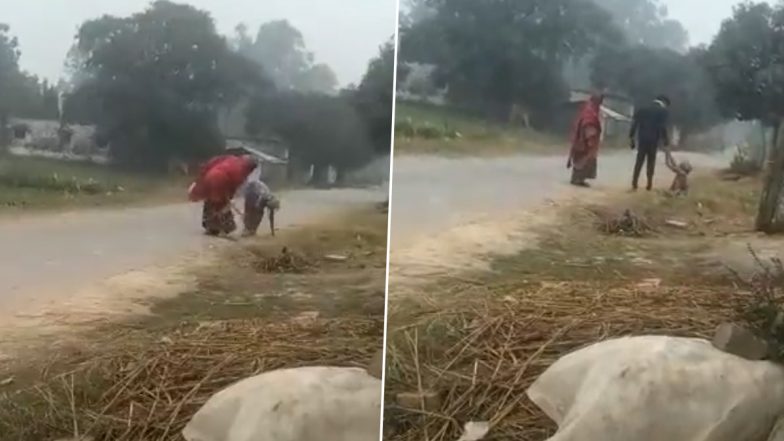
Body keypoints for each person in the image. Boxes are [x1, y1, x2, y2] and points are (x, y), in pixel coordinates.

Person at [188, 154, 258, 236]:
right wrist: (229, 198)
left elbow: (212, 162)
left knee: (211, 201)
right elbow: (233, 185)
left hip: (209, 176)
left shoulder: (231, 158)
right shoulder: (242, 172)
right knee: (221, 205)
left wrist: (201, 177)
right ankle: (222, 227)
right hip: (220, 182)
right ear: (251, 168)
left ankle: (210, 226)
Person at [630, 95, 671, 191]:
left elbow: (635, 124)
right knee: (651, 162)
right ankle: (649, 184)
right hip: (653, 140)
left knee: (639, 161)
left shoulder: (643, 109)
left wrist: (631, 137)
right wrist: (665, 141)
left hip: (642, 139)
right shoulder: (663, 112)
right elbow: (662, 127)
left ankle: (634, 182)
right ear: (663, 102)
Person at [567, 94, 604, 187]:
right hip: (584, 139)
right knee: (583, 160)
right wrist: (590, 138)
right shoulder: (590, 112)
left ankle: (579, 179)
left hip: (581, 139)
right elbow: (588, 124)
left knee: (581, 159)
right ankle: (577, 179)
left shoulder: (588, 109)